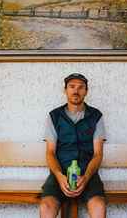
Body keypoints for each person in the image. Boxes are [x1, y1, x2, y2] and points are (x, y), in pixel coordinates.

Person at [39, 73, 107, 218]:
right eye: (72, 87)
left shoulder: (96, 116)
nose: (76, 91)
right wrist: (59, 176)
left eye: (81, 87)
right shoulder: (54, 116)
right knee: (46, 206)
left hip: (87, 173)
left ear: (86, 92)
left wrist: (87, 176)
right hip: (60, 172)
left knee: (99, 206)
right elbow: (50, 152)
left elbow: (98, 154)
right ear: (65, 90)